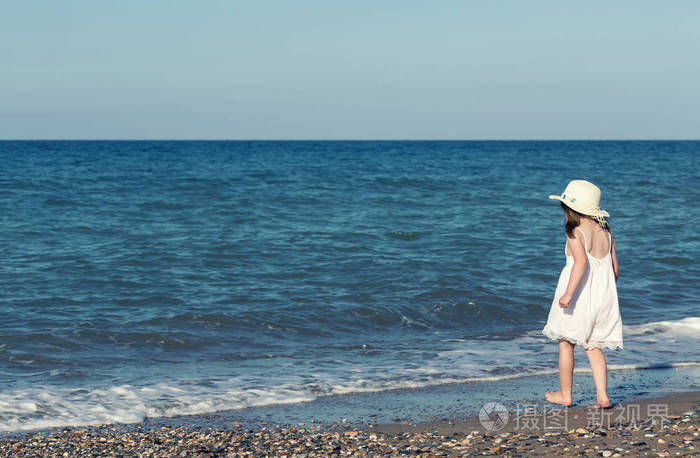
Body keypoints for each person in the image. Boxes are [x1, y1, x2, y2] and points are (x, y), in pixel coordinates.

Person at [541, 179, 623, 409]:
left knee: (565, 342)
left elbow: (580, 264)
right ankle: (603, 397)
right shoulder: (606, 233)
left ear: (571, 210)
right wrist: (604, 291)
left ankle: (565, 394)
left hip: (579, 296)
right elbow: (615, 270)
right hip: (603, 298)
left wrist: (568, 295)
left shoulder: (575, 232)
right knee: (593, 346)